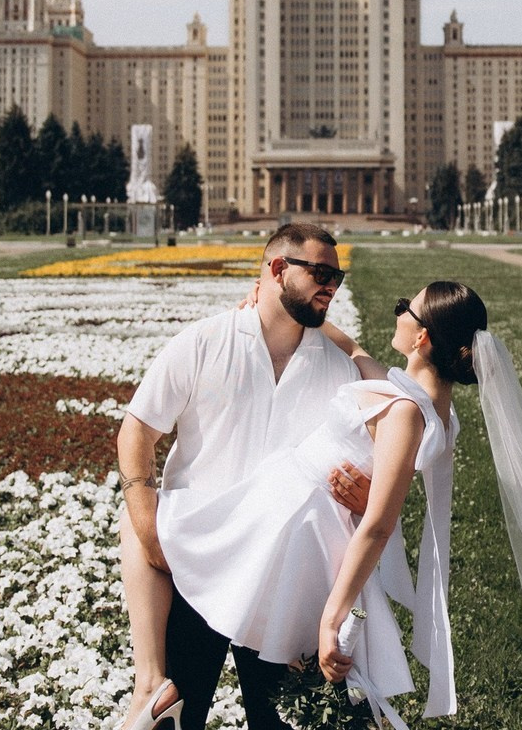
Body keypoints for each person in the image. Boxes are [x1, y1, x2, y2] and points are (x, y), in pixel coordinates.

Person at [122, 277, 522, 730]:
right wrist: (274, 301)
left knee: (151, 526)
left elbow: (378, 522)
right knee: (183, 568)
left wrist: (331, 615)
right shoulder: (431, 409)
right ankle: (158, 686)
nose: (397, 314)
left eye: (405, 308)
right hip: (299, 521)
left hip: (287, 526)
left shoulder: (402, 411)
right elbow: (359, 355)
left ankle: (153, 685)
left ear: (421, 338)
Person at [116, 223, 371, 730]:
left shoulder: (340, 371)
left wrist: (363, 498)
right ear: (277, 269)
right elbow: (136, 432)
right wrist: (147, 529)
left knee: (278, 722)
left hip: (282, 577)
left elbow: (362, 465)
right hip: (196, 560)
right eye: (321, 272)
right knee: (175, 717)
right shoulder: (205, 341)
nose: (331, 286)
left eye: (337, 277)